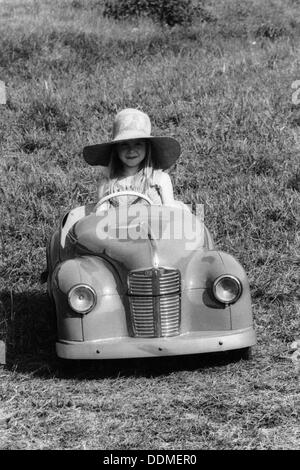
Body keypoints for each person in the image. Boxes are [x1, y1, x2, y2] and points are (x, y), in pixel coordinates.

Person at [83, 108, 181, 211]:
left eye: (138, 144)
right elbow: (100, 215)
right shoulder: (107, 182)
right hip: (116, 226)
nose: (131, 150)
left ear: (147, 148)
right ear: (116, 149)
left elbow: (170, 212)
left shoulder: (160, 179)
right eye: (124, 145)